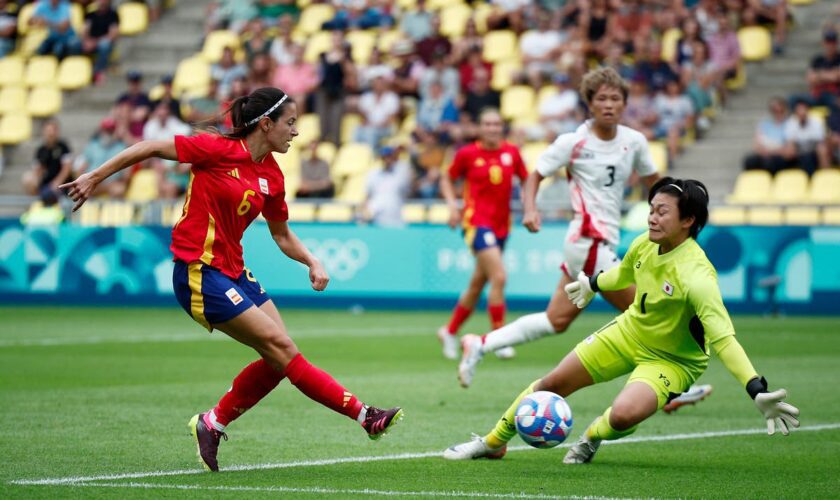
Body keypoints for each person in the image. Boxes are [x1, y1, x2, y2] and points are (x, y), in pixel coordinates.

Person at [59, 87, 403, 472]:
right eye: (290, 123)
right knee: (281, 348)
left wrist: (311, 260)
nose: (295, 132)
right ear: (266, 124)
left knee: (278, 360)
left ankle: (212, 423)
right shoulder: (217, 150)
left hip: (234, 271)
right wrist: (95, 176)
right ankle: (364, 415)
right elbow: (151, 147)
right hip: (197, 271)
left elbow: (282, 235)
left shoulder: (272, 174)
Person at [444, 177, 800, 462]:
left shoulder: (698, 276)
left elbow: (723, 340)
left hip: (673, 361)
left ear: (688, 221)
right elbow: (623, 273)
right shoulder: (646, 244)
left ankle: (592, 436)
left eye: (662, 212)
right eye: (651, 209)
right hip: (628, 333)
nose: (652, 217)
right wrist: (592, 284)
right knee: (552, 383)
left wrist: (756, 388)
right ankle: (492, 443)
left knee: (623, 416)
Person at [456, 67, 661, 388]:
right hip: (589, 241)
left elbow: (654, 183)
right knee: (644, 311)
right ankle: (668, 386)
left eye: (616, 98)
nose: (609, 104)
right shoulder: (574, 142)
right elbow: (536, 175)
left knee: (557, 320)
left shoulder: (634, 142)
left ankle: (480, 344)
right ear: (589, 104)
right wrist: (530, 208)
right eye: (602, 98)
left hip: (596, 242)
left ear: (624, 104)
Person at [437, 108, 528, 361]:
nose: (492, 128)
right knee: (499, 276)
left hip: (502, 226)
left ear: (502, 127)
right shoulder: (467, 154)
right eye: (487, 124)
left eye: (496, 124)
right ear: (479, 128)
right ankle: (499, 339)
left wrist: (529, 205)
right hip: (476, 223)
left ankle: (449, 330)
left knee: (478, 284)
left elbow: (527, 180)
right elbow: (446, 178)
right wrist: (452, 207)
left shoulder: (512, 153)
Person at [22, 119, 74, 197]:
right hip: (46, 184)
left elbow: (67, 168)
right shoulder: (40, 150)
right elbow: (37, 169)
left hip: (62, 185)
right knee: (27, 178)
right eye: (48, 130)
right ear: (44, 132)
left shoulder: (63, 147)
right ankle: (37, 199)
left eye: (53, 130)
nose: (51, 133)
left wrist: (57, 183)